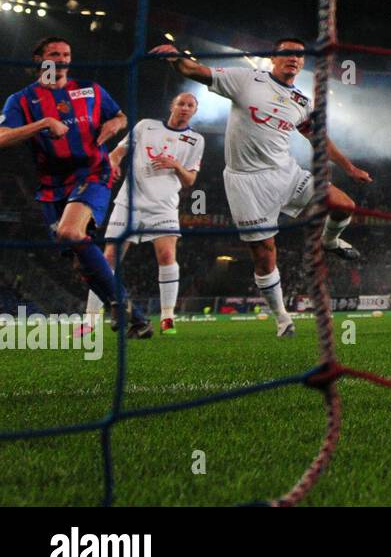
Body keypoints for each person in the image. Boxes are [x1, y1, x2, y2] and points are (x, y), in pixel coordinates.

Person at [149, 39, 371, 337]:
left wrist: (349, 167)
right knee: (265, 254)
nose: (293, 58)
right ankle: (282, 319)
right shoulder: (244, 79)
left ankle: (329, 242)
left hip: (286, 172)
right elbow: (195, 70)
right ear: (272, 59)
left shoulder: (302, 102)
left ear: (303, 63)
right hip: (245, 182)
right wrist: (176, 58)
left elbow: (317, 139)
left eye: (298, 55)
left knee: (344, 205)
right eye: (286, 53)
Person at [0, 36, 151, 336]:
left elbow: (120, 116)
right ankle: (136, 316)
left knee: (70, 232)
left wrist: (116, 124)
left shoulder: (91, 90)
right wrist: (43, 123)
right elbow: (2, 137)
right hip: (51, 186)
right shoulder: (20, 100)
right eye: (54, 53)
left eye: (66, 54)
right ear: (38, 59)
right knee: (79, 262)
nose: (61, 59)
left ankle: (118, 303)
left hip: (93, 173)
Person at [87, 92, 205, 335]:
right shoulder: (145, 126)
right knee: (108, 257)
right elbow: (118, 152)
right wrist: (114, 162)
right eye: (181, 103)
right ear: (172, 105)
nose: (185, 107)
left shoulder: (196, 140)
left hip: (163, 206)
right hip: (128, 202)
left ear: (194, 111)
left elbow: (190, 180)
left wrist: (176, 165)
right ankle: (89, 319)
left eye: (190, 105)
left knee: (166, 255)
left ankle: (168, 317)